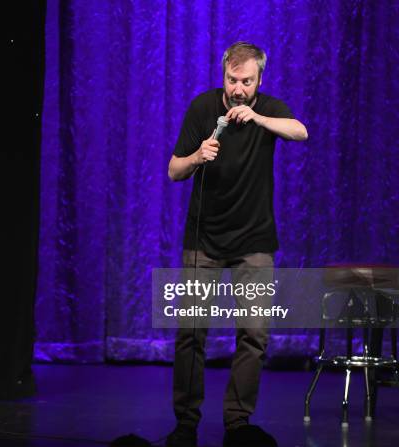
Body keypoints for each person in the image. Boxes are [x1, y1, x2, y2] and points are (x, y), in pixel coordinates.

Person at [166, 42, 308, 447]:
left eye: (246, 82)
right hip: (204, 240)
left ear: (259, 80)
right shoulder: (202, 108)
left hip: (255, 241)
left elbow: (301, 131)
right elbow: (174, 171)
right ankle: (186, 422)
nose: (238, 89)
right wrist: (196, 156)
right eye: (232, 80)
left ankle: (238, 423)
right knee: (190, 333)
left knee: (254, 334)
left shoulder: (269, 109)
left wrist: (259, 118)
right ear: (223, 76)